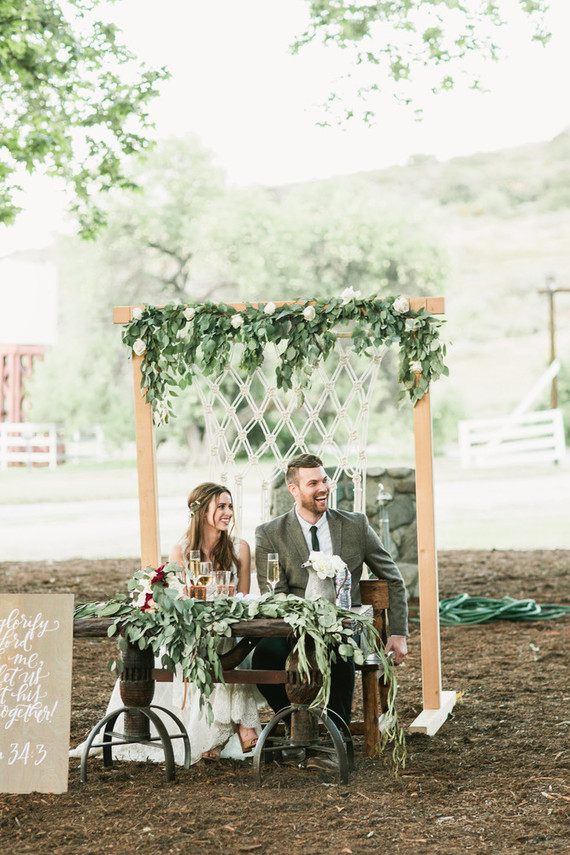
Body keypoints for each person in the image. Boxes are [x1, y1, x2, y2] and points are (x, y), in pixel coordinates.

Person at [71, 482, 262, 765]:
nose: (228, 512)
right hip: (192, 633)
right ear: (201, 511)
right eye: (221, 506)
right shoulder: (181, 552)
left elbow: (243, 599)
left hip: (229, 630)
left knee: (227, 646)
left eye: (230, 506)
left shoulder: (240, 548)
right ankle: (232, 731)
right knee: (201, 649)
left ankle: (226, 732)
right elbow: (180, 605)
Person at [253, 453, 408, 729]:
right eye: (313, 483)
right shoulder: (270, 533)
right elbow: (274, 593)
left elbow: (392, 578)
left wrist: (397, 632)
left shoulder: (355, 525)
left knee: (339, 650)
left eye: (324, 480)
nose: (323, 488)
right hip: (292, 631)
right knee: (264, 655)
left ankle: (340, 736)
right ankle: (296, 723)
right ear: (294, 489)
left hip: (345, 630)